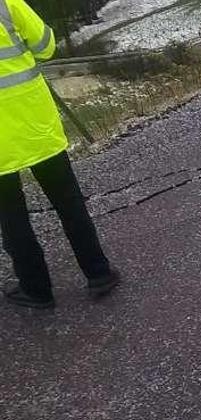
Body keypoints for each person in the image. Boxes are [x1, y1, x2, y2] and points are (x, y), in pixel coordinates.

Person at [0, 0, 118, 309]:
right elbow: (46, 45)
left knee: (12, 218)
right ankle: (98, 273)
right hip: (33, 119)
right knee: (68, 201)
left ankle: (36, 289)